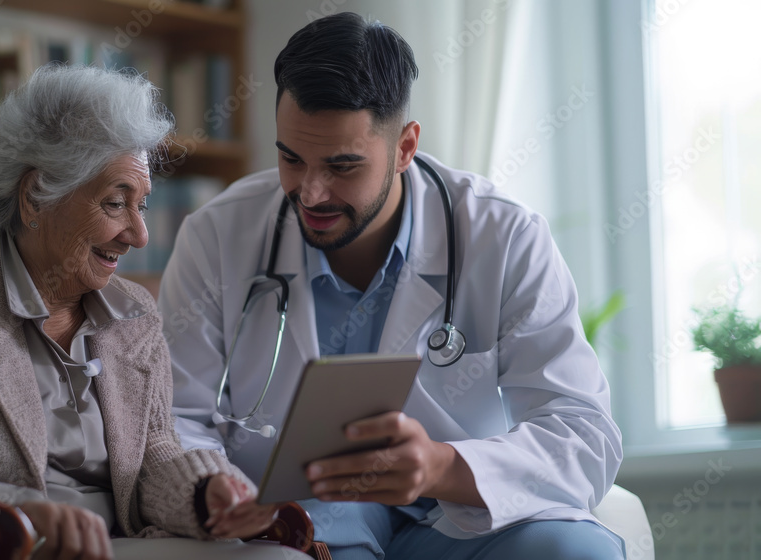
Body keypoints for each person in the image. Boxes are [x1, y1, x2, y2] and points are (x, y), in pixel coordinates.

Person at [159, 12, 626, 560]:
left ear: (405, 147)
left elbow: (584, 433)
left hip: (459, 520)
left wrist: (441, 467)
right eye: (291, 159)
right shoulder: (217, 235)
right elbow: (176, 416)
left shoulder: (504, 235)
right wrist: (213, 484)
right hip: (309, 527)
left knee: (576, 553)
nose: (310, 193)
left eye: (342, 166)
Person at [0, 64, 308, 560]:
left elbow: (153, 457)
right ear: (35, 196)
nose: (139, 234)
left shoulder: (134, 314)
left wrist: (204, 491)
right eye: (114, 203)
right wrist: (18, 510)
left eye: (142, 206)